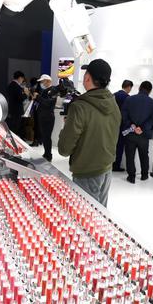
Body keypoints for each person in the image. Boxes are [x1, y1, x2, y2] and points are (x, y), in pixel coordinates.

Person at [58, 59, 120, 207]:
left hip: (87, 170)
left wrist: (65, 128)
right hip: (106, 167)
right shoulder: (113, 103)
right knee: (100, 213)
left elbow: (64, 149)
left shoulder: (80, 107)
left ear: (87, 78)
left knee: (85, 217)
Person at [121, 81, 153, 184]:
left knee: (130, 155)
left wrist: (132, 126)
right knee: (144, 155)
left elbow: (124, 114)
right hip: (144, 134)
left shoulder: (129, 99)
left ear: (139, 88)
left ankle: (131, 176)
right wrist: (141, 128)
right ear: (150, 90)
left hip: (130, 132)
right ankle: (144, 175)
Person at [112, 80, 134, 171]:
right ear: (128, 87)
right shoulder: (128, 98)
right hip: (123, 125)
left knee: (112, 144)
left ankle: (110, 164)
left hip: (112, 124)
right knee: (120, 146)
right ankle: (116, 165)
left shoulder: (114, 95)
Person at [35, 74, 56, 162]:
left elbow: (48, 103)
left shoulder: (53, 90)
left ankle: (49, 155)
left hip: (48, 117)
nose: (41, 83)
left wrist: (38, 97)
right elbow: (41, 102)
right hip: (42, 116)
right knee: (44, 136)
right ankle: (46, 153)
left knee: (47, 136)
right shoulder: (45, 91)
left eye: (42, 81)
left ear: (47, 81)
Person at [6, 70, 30, 137]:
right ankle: (12, 143)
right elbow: (20, 98)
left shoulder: (10, 85)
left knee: (12, 127)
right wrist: (26, 94)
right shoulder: (16, 86)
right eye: (22, 79)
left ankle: (10, 142)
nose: (22, 81)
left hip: (11, 109)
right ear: (20, 78)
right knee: (15, 128)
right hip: (16, 111)